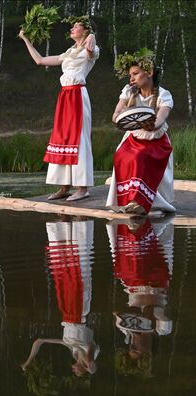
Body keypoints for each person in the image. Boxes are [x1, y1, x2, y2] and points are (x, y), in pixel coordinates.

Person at [19, 16, 99, 202]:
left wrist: (92, 34)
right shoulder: (69, 52)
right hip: (65, 96)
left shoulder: (92, 49)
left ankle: (82, 188)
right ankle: (64, 187)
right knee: (62, 137)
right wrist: (26, 39)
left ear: (85, 30)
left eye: (76, 26)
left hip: (78, 95)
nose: (72, 28)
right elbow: (40, 60)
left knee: (78, 137)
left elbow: (90, 49)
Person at [21, 218, 99, 377]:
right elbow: (91, 358)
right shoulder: (88, 349)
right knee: (79, 272)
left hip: (65, 310)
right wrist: (89, 365)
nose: (73, 370)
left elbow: (39, 341)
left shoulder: (70, 346)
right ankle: (80, 224)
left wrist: (29, 361)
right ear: (83, 369)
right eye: (77, 372)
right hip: (79, 311)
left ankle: (62, 224)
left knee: (61, 271)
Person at [106, 49, 175, 214]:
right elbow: (116, 114)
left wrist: (148, 123)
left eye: (135, 73)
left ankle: (140, 201)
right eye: (130, 74)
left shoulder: (163, 95)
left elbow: (160, 120)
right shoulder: (129, 92)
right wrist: (120, 117)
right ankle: (128, 199)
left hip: (156, 141)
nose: (131, 78)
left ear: (149, 73)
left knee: (140, 156)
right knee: (120, 154)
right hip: (134, 137)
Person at [107, 217, 173, 376]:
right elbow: (157, 312)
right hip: (157, 281)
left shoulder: (127, 331)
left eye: (131, 348)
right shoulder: (161, 330)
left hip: (133, 281)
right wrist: (145, 322)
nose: (133, 346)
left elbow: (116, 312)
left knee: (134, 234)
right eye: (136, 349)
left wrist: (130, 323)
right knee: (161, 234)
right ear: (148, 351)